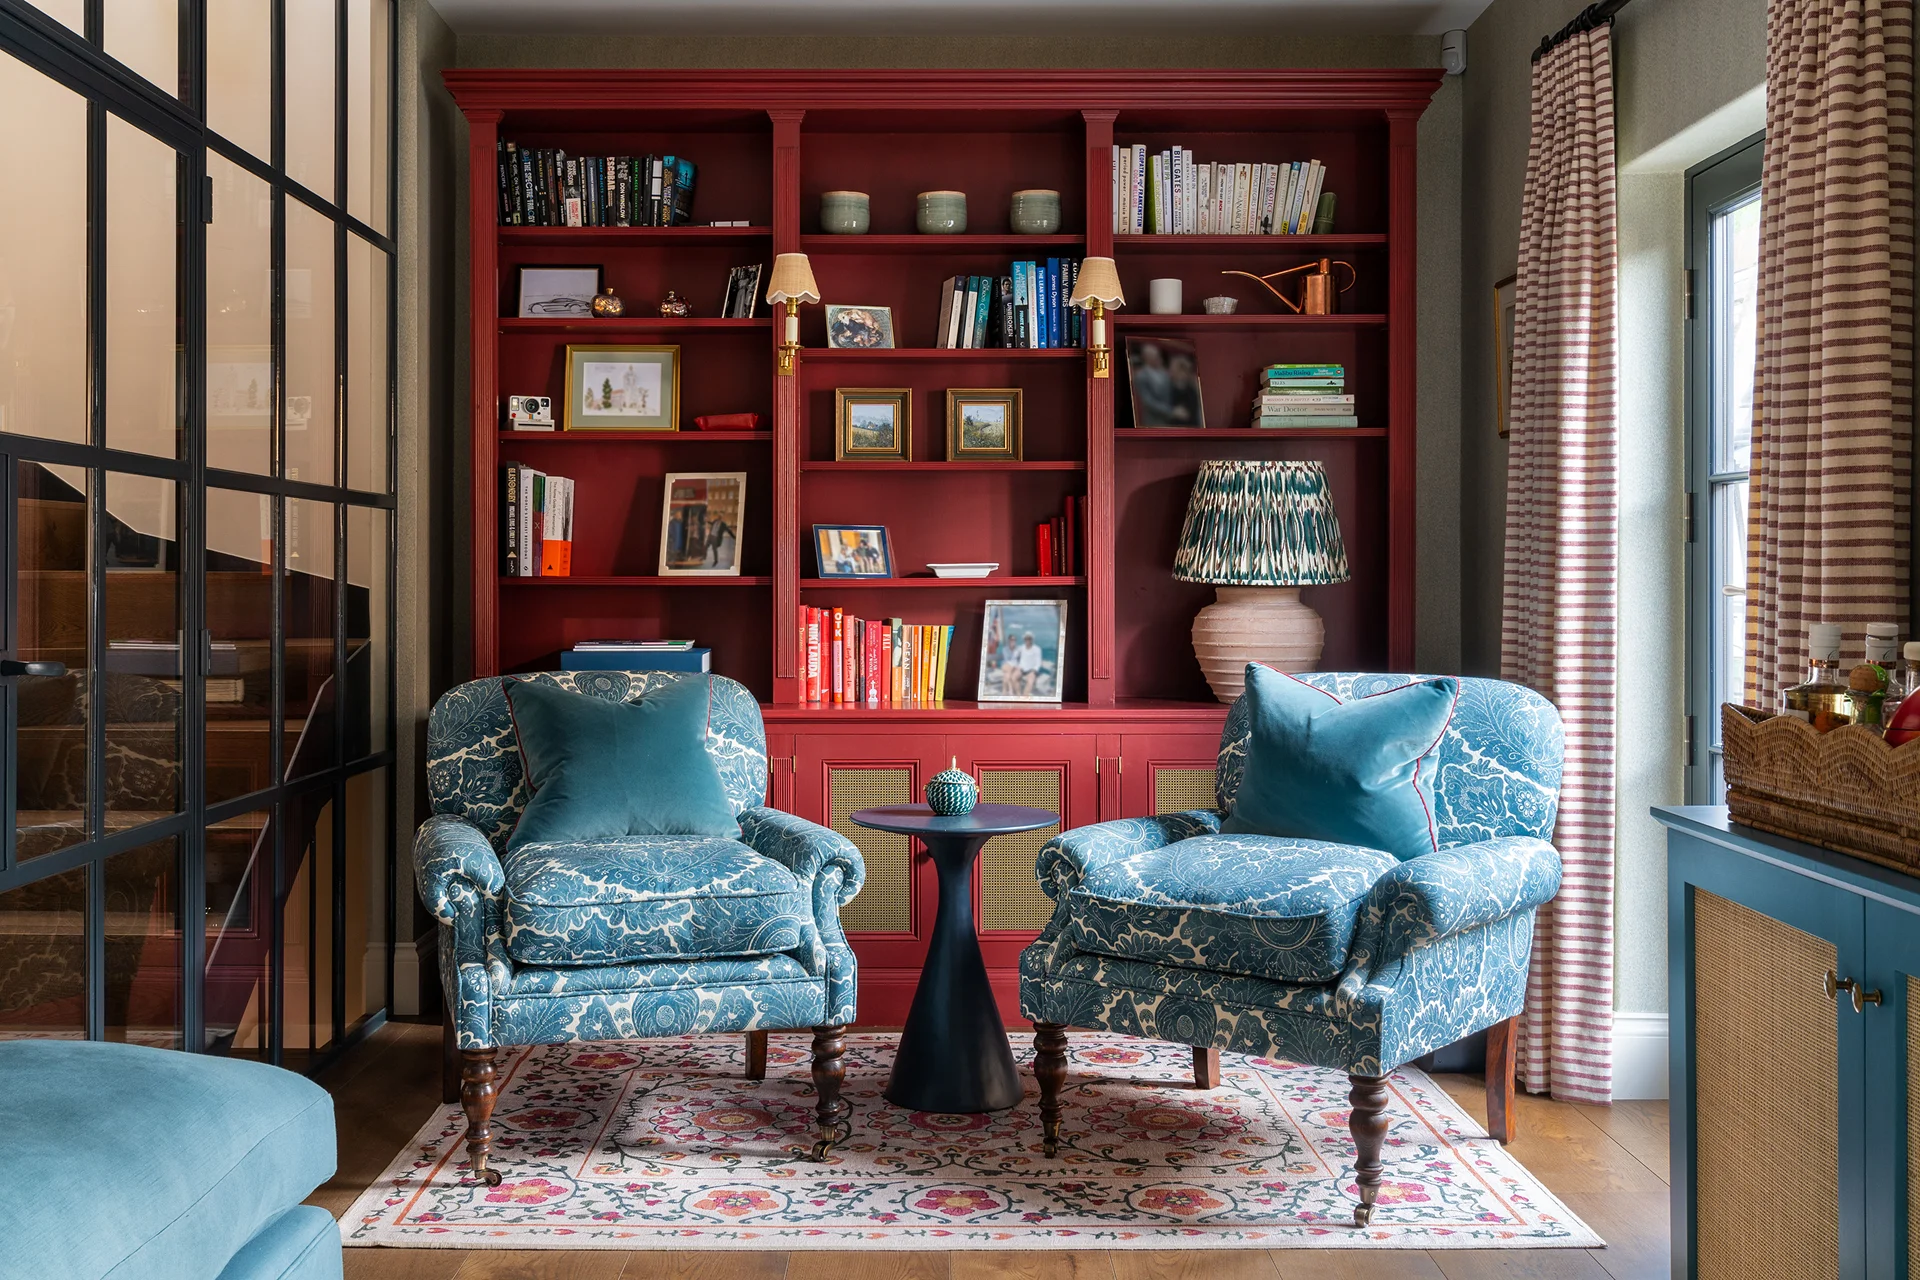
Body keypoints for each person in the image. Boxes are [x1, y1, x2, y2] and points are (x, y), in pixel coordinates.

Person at [1015, 630, 1045, 696]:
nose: (1027, 640)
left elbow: (1038, 662)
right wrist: (1018, 666)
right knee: (1015, 677)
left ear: (1032, 639)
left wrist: (1034, 671)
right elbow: (1015, 656)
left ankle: (1024, 696)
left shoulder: (1037, 649)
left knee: (1030, 681)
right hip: (1022, 668)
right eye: (1026, 638)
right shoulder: (1021, 648)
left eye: (1029, 638)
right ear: (1024, 639)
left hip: (1031, 670)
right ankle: (1018, 694)